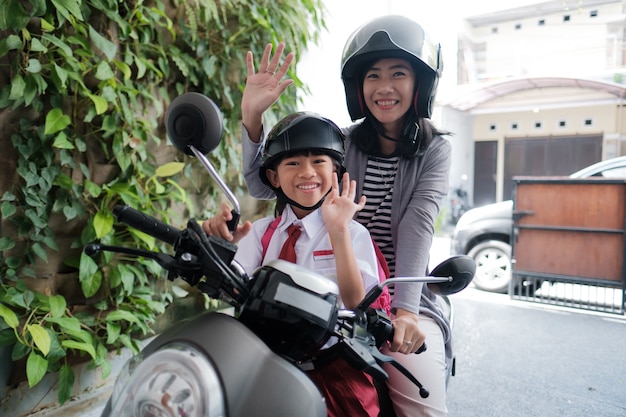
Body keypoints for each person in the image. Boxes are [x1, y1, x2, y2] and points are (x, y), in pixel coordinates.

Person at [237, 15, 452, 417]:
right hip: (326, 290)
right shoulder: (342, 143)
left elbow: (417, 223)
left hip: (396, 296)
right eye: (373, 75)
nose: (384, 87)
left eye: (398, 74)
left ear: (420, 83)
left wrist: (404, 312)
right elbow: (267, 184)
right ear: (358, 86)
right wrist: (252, 119)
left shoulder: (435, 150)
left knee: (419, 398)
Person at [203, 111, 390, 417]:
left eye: (319, 161)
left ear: (336, 173)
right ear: (274, 176)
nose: (307, 172)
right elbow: (228, 285)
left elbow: (358, 301)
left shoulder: (353, 232)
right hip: (264, 367)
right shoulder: (262, 233)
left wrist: (339, 231)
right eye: (293, 163)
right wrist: (218, 246)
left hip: (333, 371)